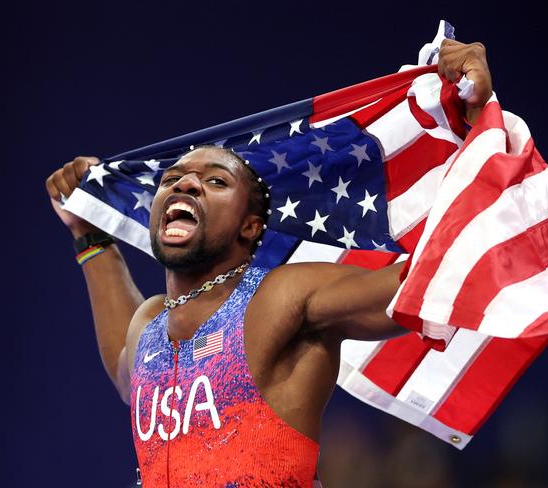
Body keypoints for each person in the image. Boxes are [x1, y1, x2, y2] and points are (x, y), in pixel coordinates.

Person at [45, 39, 492, 487]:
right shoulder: (150, 323)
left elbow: (421, 284)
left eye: (215, 181)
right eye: (173, 179)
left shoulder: (282, 297)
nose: (187, 186)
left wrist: (477, 131)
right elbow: (129, 372)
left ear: (250, 226)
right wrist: (90, 236)